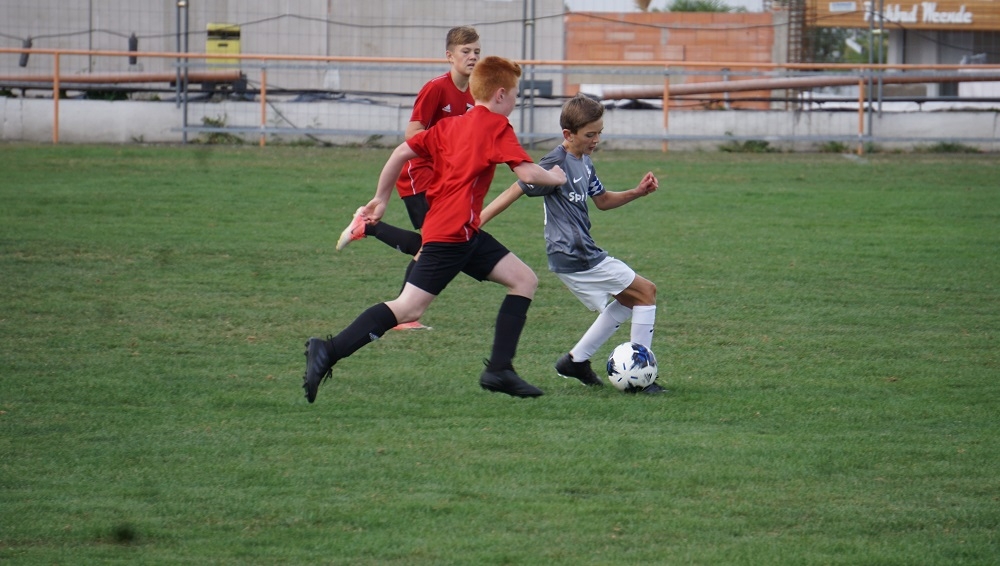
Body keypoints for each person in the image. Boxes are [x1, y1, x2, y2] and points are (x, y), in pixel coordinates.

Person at [302, 56, 567, 404]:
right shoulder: (497, 127)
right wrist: (557, 177)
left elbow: (400, 152)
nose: (516, 101)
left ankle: (499, 370)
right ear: (501, 94)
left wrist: (381, 198)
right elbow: (530, 175)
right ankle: (328, 349)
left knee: (524, 280)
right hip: (451, 235)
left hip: (464, 230)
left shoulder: (451, 126)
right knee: (408, 309)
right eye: (516, 94)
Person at [480, 93, 665, 394]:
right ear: (569, 134)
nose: (596, 140)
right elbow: (516, 188)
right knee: (646, 292)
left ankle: (575, 361)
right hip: (573, 254)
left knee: (629, 300)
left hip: (581, 252)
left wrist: (637, 192)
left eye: (599, 133)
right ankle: (640, 377)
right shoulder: (555, 162)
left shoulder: (584, 161)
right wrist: (477, 220)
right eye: (590, 135)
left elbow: (602, 201)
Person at [334, 25, 482, 331]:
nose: (473, 57)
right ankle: (405, 313)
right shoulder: (436, 89)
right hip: (418, 173)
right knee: (434, 244)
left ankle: (369, 228)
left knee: (434, 243)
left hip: (445, 179)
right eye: (466, 52)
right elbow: (412, 135)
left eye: (477, 52)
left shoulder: (475, 92)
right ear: (449, 56)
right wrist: (450, 143)